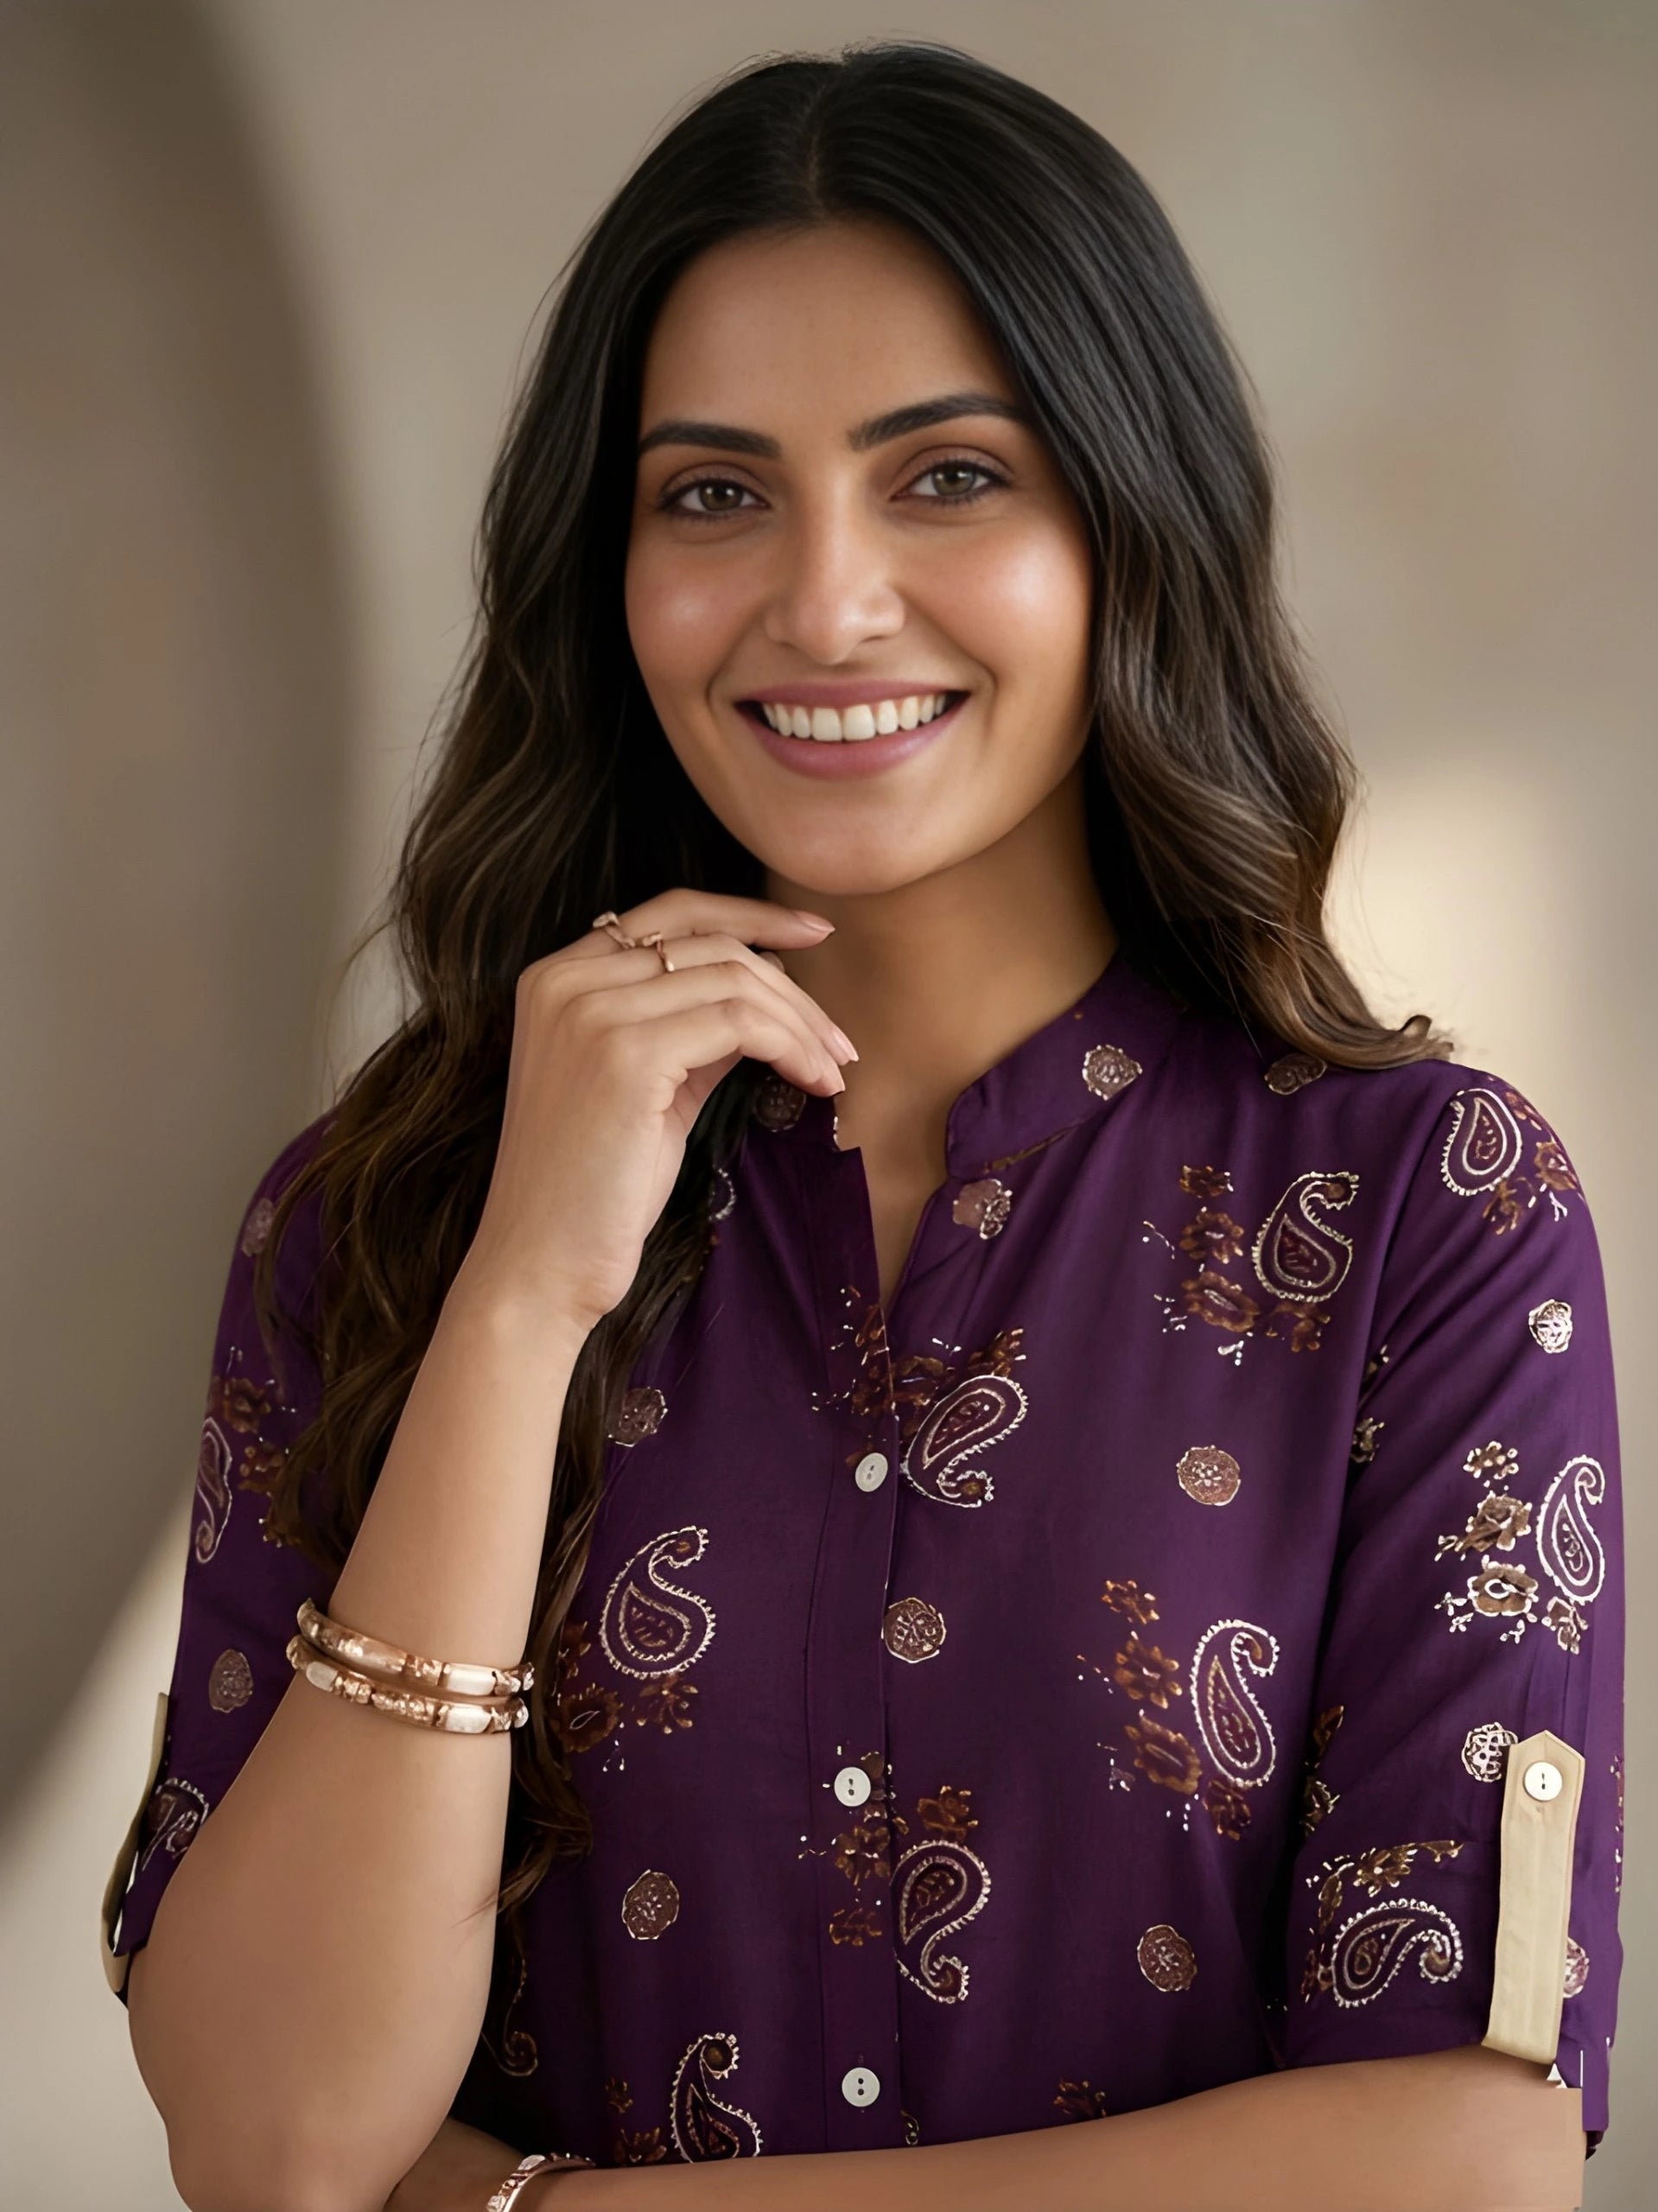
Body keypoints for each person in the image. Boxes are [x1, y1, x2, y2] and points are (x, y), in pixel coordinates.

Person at [101, 38, 1621, 2212]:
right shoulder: (385, 1221)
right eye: (713, 493)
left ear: (1128, 518)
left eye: (947, 477)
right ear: (606, 569)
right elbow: (269, 2141)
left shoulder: (1427, 1216)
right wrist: (524, 1291)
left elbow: (1463, 2152)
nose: (822, 604)